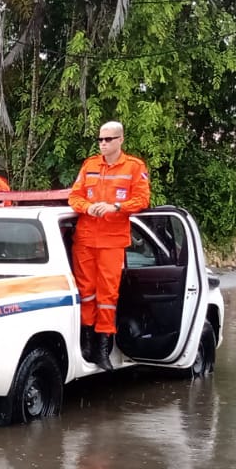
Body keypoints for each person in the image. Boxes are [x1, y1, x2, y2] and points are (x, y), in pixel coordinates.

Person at [66, 122, 151, 371]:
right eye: (100, 140)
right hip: (85, 239)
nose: (103, 143)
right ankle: (87, 343)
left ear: (120, 140)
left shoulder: (134, 167)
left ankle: (103, 347)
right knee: (86, 292)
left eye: (108, 139)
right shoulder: (90, 165)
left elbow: (142, 199)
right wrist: (87, 207)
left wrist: (116, 207)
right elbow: (75, 196)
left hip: (112, 241)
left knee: (107, 295)